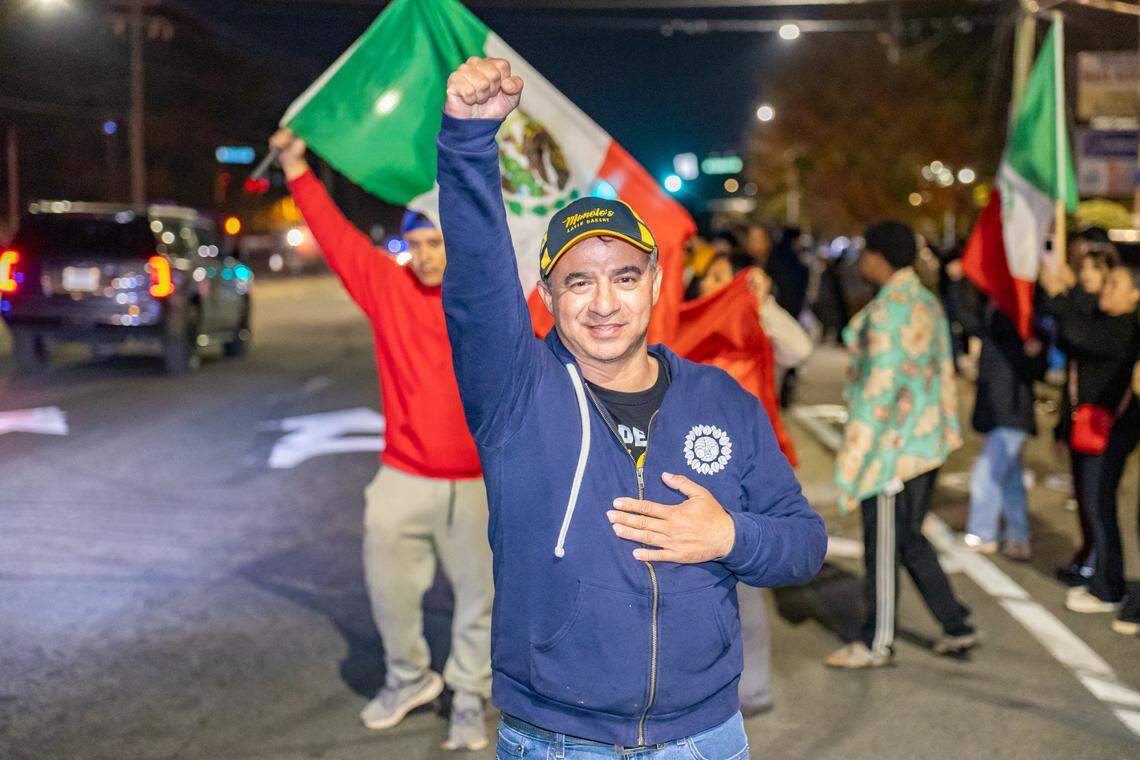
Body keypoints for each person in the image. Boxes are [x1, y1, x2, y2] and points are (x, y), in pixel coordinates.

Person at [437, 57, 827, 757]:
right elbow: (476, 283)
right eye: (577, 281)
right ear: (549, 298)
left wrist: (729, 538)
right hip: (560, 740)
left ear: (654, 285)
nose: (604, 301)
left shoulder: (722, 401)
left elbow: (804, 544)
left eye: (624, 276)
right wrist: (468, 140)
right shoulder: (516, 395)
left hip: (707, 737)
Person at [269, 129, 494, 751]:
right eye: (415, 242)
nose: (424, 255)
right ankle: (408, 678)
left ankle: (470, 694)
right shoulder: (389, 289)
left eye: (436, 241)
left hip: (479, 481)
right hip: (404, 474)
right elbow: (336, 236)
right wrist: (296, 167)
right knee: (391, 590)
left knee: (479, 600)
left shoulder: (492, 299)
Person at [826, 220, 975, 669]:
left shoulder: (891, 311)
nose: (862, 261)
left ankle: (877, 642)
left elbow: (878, 391)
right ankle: (956, 623)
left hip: (891, 452)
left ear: (879, 256)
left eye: (866, 252)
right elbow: (943, 374)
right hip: (924, 443)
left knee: (884, 544)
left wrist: (854, 457)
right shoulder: (925, 302)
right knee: (909, 538)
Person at [694, 251, 813, 717]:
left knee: (745, 587)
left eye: (728, 278)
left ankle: (753, 688)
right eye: (711, 278)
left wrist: (760, 304)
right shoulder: (683, 335)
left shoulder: (758, 338)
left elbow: (800, 349)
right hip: (691, 480)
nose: (718, 287)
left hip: (748, 480)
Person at [1038, 257, 1140, 616]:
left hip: (1109, 432)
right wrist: (1067, 292)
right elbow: (1073, 331)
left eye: (1114, 285)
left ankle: (1108, 586)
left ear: (1135, 295)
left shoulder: (1126, 328)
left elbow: (1076, 334)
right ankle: (1098, 573)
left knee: (1100, 506)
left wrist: (1059, 294)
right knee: (1089, 502)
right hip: (1090, 430)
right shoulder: (1106, 319)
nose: (1105, 290)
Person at [946, 261, 1046, 561]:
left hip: (1011, 412)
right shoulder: (1000, 317)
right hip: (1002, 411)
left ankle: (983, 533)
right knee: (1011, 478)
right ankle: (1018, 536)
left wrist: (1033, 348)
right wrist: (957, 282)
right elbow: (968, 318)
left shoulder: (1020, 321)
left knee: (987, 475)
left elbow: (1033, 367)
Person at [1052, 243, 1119, 586]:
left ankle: (1099, 568)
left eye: (1095, 271)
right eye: (1084, 270)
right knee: (1083, 496)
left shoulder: (1119, 322)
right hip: (1082, 421)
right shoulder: (1089, 310)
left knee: (1096, 500)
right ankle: (1089, 558)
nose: (1088, 277)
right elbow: (1067, 338)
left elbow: (1079, 333)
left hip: (1104, 424)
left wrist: (1063, 294)